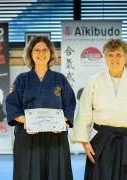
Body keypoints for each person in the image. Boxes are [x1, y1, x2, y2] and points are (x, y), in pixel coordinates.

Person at [6, 36, 76, 180]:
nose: (41, 53)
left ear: (50, 53)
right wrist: (25, 120)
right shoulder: (22, 79)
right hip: (28, 135)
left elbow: (70, 103)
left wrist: (63, 121)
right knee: (28, 174)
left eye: (45, 50)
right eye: (37, 50)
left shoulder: (60, 79)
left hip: (56, 137)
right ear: (30, 53)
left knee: (57, 173)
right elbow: (12, 105)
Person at [71, 39, 127, 180]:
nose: (114, 59)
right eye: (110, 54)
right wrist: (84, 142)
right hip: (102, 141)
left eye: (119, 54)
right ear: (105, 57)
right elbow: (84, 111)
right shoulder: (94, 80)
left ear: (125, 56)